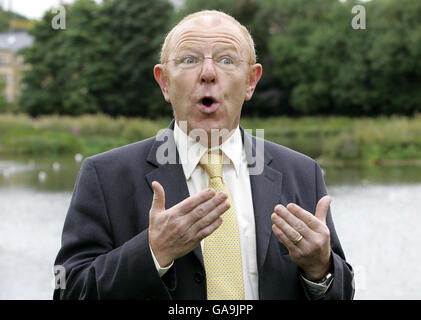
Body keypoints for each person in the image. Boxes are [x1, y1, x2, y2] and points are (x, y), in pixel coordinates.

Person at [53, 10, 354, 300]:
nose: (208, 73)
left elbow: (342, 291)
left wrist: (320, 270)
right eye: (189, 60)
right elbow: (69, 290)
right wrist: (153, 252)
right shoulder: (105, 176)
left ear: (251, 81)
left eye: (226, 60)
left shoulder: (302, 172)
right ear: (164, 82)